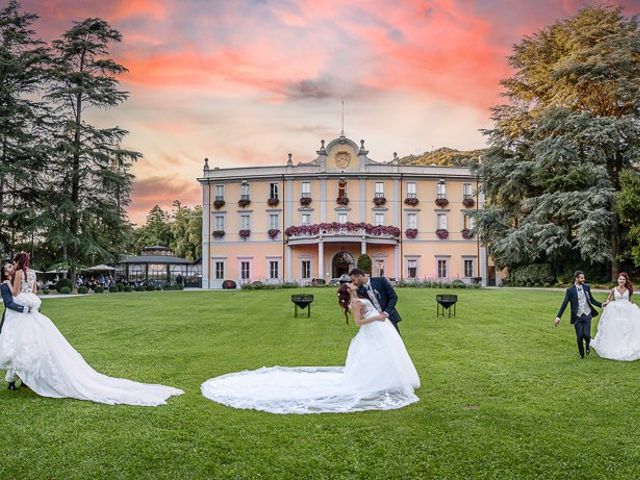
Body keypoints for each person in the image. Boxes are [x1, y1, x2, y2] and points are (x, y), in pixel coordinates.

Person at [200, 282, 420, 414]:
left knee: (383, 357)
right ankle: (382, 382)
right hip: (373, 330)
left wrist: (379, 316)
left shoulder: (360, 297)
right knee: (378, 358)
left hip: (380, 331)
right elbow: (358, 323)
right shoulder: (354, 303)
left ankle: (389, 380)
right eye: (350, 284)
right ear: (348, 291)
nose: (353, 283)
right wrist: (377, 318)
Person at [0, 252, 183, 405]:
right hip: (34, 313)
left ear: (18, 262)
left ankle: (21, 378)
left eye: (14, 263)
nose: (12, 266)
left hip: (24, 316)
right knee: (35, 347)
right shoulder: (32, 274)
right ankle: (24, 378)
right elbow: (34, 293)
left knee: (23, 347)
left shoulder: (17, 274)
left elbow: (16, 293)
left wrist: (8, 285)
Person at [590, 272, 640, 361]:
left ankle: (626, 345)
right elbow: (609, 299)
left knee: (626, 328)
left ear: (625, 281)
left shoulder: (628, 289)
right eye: (620, 279)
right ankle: (615, 344)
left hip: (626, 311)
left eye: (623, 279)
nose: (621, 280)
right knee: (617, 328)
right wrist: (606, 303)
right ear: (618, 280)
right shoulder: (614, 289)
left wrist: (633, 307)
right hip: (616, 311)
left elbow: (630, 300)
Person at [555, 270, 604, 359]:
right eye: (581, 278)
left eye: (583, 278)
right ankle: (582, 354)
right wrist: (558, 317)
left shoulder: (586, 287)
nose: (583, 279)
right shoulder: (570, 291)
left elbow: (592, 300)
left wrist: (601, 305)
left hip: (587, 314)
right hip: (577, 316)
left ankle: (588, 345)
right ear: (576, 278)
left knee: (587, 335)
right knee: (579, 336)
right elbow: (564, 303)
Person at [0, 262, 32, 390]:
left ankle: (24, 378)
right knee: (13, 348)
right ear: (4, 272)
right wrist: (24, 308)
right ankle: (11, 382)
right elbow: (8, 303)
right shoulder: (4, 285)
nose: (12, 268)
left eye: (12, 266)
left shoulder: (17, 282)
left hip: (22, 320)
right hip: (11, 320)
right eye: (8, 267)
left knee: (25, 347)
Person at [350, 268, 402, 333]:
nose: (353, 282)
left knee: (395, 340)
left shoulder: (380, 281)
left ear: (360, 276)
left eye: (354, 280)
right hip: (375, 320)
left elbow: (393, 297)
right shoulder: (359, 290)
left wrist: (386, 313)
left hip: (389, 316)